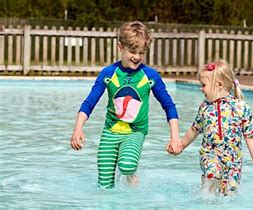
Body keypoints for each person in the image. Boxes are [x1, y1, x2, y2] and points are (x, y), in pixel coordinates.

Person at [70, 21, 182, 189]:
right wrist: (78, 128)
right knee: (104, 186)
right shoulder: (109, 73)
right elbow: (89, 103)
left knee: (127, 165)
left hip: (135, 132)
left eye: (141, 52)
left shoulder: (150, 76)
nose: (137, 57)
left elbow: (169, 106)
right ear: (120, 47)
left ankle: (132, 177)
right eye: (132, 51)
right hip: (110, 132)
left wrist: (174, 136)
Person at [168, 60, 253, 195]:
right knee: (212, 173)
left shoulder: (241, 107)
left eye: (203, 85)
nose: (201, 88)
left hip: (233, 162)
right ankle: (205, 198)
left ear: (219, 85)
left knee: (229, 195)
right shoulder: (205, 107)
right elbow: (194, 129)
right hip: (210, 155)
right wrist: (181, 145)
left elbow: (251, 137)